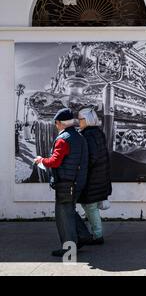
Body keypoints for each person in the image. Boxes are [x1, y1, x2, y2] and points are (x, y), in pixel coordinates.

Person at [34, 108, 92, 257]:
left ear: (60, 123)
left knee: (63, 216)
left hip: (65, 184)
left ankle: (68, 249)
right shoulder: (79, 137)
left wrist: (40, 160)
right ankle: (84, 235)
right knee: (69, 210)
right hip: (78, 182)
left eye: (56, 123)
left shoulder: (63, 139)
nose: (55, 125)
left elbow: (54, 161)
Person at [77, 108, 112, 245]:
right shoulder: (97, 132)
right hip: (100, 175)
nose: (79, 122)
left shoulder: (88, 135)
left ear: (87, 120)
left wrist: (81, 169)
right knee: (91, 205)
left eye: (80, 119)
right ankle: (93, 231)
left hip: (92, 177)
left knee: (90, 206)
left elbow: (92, 157)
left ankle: (97, 235)